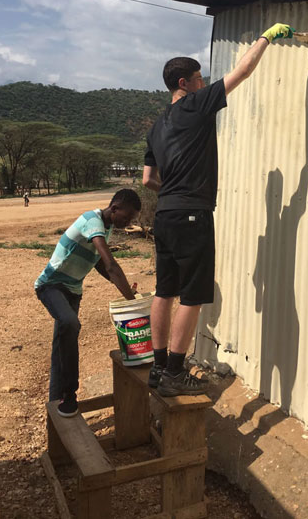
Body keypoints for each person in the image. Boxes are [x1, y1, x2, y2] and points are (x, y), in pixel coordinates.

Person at [143, 23, 293, 397]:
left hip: (165, 215)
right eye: (197, 78)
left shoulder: (157, 126)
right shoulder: (195, 104)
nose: (201, 82)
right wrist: (267, 37)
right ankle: (176, 372)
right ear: (183, 83)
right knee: (192, 295)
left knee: (164, 291)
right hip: (192, 214)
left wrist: (173, 194)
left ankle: (159, 367)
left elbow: (148, 179)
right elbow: (242, 71)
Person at [35, 188, 142, 417]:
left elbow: (99, 264)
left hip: (73, 291)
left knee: (61, 344)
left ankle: (56, 402)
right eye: (126, 217)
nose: (127, 223)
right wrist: (132, 302)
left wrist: (120, 287)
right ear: (114, 208)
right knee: (71, 324)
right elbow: (111, 264)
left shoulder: (107, 226)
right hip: (51, 285)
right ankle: (70, 396)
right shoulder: (92, 221)